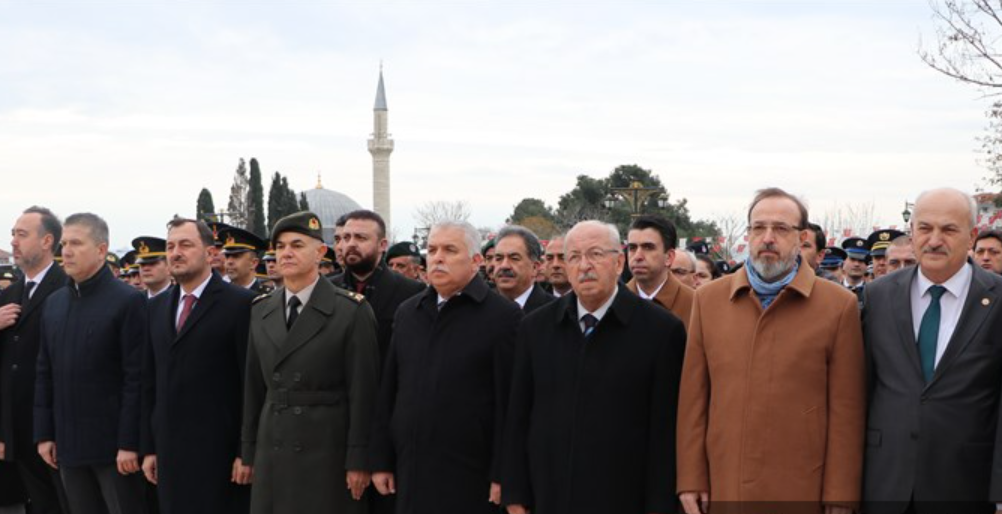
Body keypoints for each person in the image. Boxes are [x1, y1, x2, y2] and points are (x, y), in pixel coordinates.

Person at [677, 188, 865, 513]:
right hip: (725, 484)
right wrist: (690, 478)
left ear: (801, 237)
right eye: (758, 228)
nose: (767, 238)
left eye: (780, 229)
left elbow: (846, 411)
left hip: (803, 487)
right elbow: (694, 400)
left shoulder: (838, 306)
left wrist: (841, 494)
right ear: (747, 234)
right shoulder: (708, 300)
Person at [502, 220, 686, 514]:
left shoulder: (661, 331)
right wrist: (514, 493)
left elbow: (664, 435)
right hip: (549, 494)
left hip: (624, 496)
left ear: (618, 262)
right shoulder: (535, 328)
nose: (584, 265)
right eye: (573, 256)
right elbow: (518, 417)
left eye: (595, 254)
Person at [862, 188, 1002, 514]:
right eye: (925, 228)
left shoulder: (997, 301)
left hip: (966, 484)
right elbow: (861, 388)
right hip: (884, 483)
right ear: (911, 235)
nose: (934, 240)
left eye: (949, 229)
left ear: (971, 237)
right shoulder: (877, 296)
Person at [369, 220, 523, 514]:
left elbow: (510, 404)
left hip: (471, 474)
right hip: (411, 469)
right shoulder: (409, 312)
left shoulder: (502, 316)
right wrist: (380, 459)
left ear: (477, 261)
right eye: (432, 249)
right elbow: (390, 390)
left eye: (450, 250)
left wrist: (504, 473)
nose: (437, 257)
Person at [241, 211, 380, 514]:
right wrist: (248, 452)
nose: (286, 253)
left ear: (319, 253)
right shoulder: (261, 310)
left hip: (326, 449)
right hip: (273, 447)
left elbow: (364, 393)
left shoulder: (349, 311)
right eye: (279, 246)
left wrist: (358, 460)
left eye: (297, 245)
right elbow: (253, 389)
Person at [34, 213, 148, 514]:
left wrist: (129, 442)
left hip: (115, 451)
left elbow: (136, 378)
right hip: (68, 446)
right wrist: (45, 434)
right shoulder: (55, 304)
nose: (66, 251)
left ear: (101, 249)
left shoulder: (128, 301)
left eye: (76, 243)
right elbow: (45, 373)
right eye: (63, 244)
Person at [140, 218, 255, 514]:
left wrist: (246, 451)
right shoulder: (154, 308)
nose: (176, 252)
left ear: (210, 253)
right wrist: (150, 447)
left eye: (186, 245)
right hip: (170, 453)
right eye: (170, 246)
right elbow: (149, 383)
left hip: (221, 455)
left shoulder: (241, 304)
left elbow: (250, 383)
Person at [0, 207, 70, 514]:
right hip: (18, 429)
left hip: (57, 428)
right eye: (13, 234)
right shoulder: (10, 293)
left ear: (47, 241)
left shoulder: (68, 287)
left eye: (22, 234)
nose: (13, 241)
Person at [624, 215, 694, 329]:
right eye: (632, 248)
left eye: (648, 247)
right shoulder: (612, 302)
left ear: (669, 257)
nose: (637, 256)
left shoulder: (695, 304)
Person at [492, 225, 554, 313]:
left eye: (514, 258)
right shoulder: (479, 309)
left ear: (535, 267)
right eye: (499, 258)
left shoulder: (556, 311)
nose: (504, 265)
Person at [220, 228, 268, 294]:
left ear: (253, 263)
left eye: (236, 256)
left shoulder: (266, 297)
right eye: (227, 256)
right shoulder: (220, 294)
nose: (229, 262)